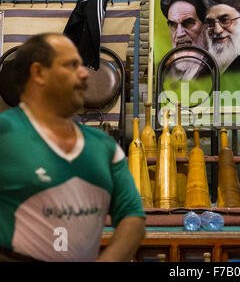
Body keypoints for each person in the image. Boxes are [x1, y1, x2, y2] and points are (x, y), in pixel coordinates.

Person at [0, 33, 146, 262]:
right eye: (71, 65)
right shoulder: (5, 134)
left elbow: (132, 217)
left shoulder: (103, 146)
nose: (85, 72)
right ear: (39, 73)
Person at [160, 0, 209, 81]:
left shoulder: (219, 68)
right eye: (173, 25)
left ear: (206, 25)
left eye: (188, 23)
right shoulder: (168, 70)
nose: (179, 34)